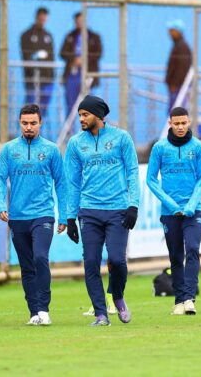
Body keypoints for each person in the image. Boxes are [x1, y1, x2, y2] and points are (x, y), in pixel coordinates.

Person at [64, 95, 139, 327]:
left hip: (117, 210)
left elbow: (133, 172)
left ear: (99, 115)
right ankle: (100, 314)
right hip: (89, 211)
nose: (81, 120)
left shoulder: (121, 138)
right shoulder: (76, 143)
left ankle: (116, 295)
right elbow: (73, 181)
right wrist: (70, 216)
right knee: (91, 261)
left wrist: (133, 204)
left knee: (117, 260)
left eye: (85, 115)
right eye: (80, 116)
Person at [0, 104, 66, 326]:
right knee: (26, 266)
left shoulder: (52, 150)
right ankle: (33, 311)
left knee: (40, 258)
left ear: (40, 123)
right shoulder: (9, 150)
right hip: (17, 217)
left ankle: (44, 308)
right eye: (25, 123)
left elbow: (61, 182)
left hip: (43, 215)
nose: (29, 127)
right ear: (19, 123)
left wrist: (63, 215)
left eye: (33, 123)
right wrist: (0, 205)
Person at [146, 106, 201, 316]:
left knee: (192, 249)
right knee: (175, 256)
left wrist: (190, 205)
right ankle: (179, 300)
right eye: (176, 123)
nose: (180, 127)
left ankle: (190, 298)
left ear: (189, 122)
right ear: (170, 123)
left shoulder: (198, 147)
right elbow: (151, 180)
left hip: (193, 212)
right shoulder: (160, 148)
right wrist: (172, 205)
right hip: (170, 213)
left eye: (184, 123)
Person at [60, 12, 103, 117]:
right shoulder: (70, 36)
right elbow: (62, 53)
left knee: (89, 106)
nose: (80, 23)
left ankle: (89, 131)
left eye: (82, 21)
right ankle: (71, 132)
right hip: (72, 74)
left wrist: (84, 59)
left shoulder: (94, 37)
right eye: (78, 21)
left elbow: (98, 54)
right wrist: (74, 59)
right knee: (70, 106)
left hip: (88, 74)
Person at [20, 7, 55, 109]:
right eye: (41, 18)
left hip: (47, 78)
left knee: (44, 107)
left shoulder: (48, 35)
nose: (42, 21)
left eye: (44, 18)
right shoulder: (26, 35)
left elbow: (51, 56)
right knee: (31, 106)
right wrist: (37, 57)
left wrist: (52, 74)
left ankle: (41, 124)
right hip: (32, 78)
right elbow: (26, 56)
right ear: (36, 17)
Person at [165, 19, 192, 112]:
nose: (169, 33)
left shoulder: (182, 47)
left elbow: (182, 68)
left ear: (178, 31)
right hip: (177, 86)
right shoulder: (178, 45)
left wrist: (174, 84)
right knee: (174, 110)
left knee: (177, 111)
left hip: (178, 86)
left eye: (171, 30)